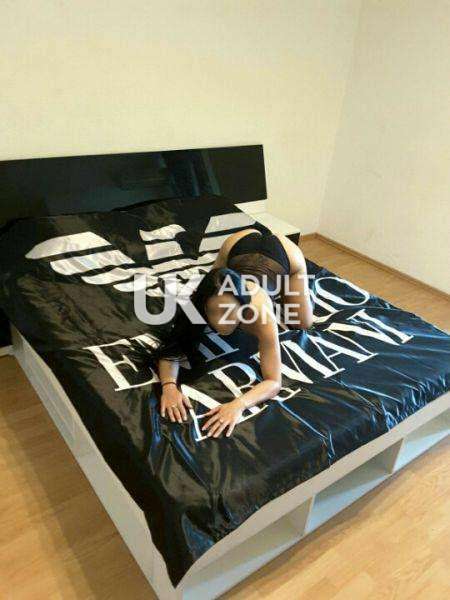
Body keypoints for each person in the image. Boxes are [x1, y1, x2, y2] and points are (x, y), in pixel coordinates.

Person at [156, 228, 314, 438]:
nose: (223, 322)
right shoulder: (199, 303)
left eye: (231, 312)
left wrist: (238, 405)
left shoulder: (261, 315)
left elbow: (274, 382)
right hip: (238, 244)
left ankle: (294, 283)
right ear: (204, 306)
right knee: (214, 280)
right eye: (216, 312)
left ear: (243, 305)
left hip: (286, 254)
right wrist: (169, 387)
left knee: (302, 322)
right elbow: (173, 347)